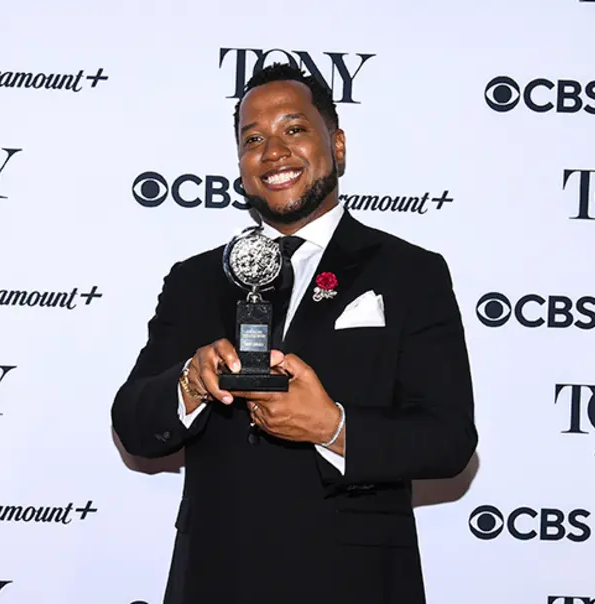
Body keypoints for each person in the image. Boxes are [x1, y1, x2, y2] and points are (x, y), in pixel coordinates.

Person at [111, 62, 477, 604]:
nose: (273, 151)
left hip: (355, 581)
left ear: (338, 145)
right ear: (240, 163)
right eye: (253, 138)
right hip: (216, 576)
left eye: (294, 129)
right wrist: (190, 382)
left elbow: (449, 440)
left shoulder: (409, 272)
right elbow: (134, 424)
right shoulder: (195, 279)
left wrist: (332, 426)